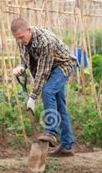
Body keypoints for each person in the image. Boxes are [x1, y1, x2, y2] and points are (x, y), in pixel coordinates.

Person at [10, 17, 78, 157]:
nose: (20, 41)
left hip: (62, 65)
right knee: (59, 105)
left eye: (22, 37)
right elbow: (25, 59)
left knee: (47, 91)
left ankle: (51, 133)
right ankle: (67, 145)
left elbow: (43, 71)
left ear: (29, 29)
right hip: (50, 68)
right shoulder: (22, 40)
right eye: (17, 38)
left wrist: (33, 97)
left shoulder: (45, 41)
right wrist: (21, 67)